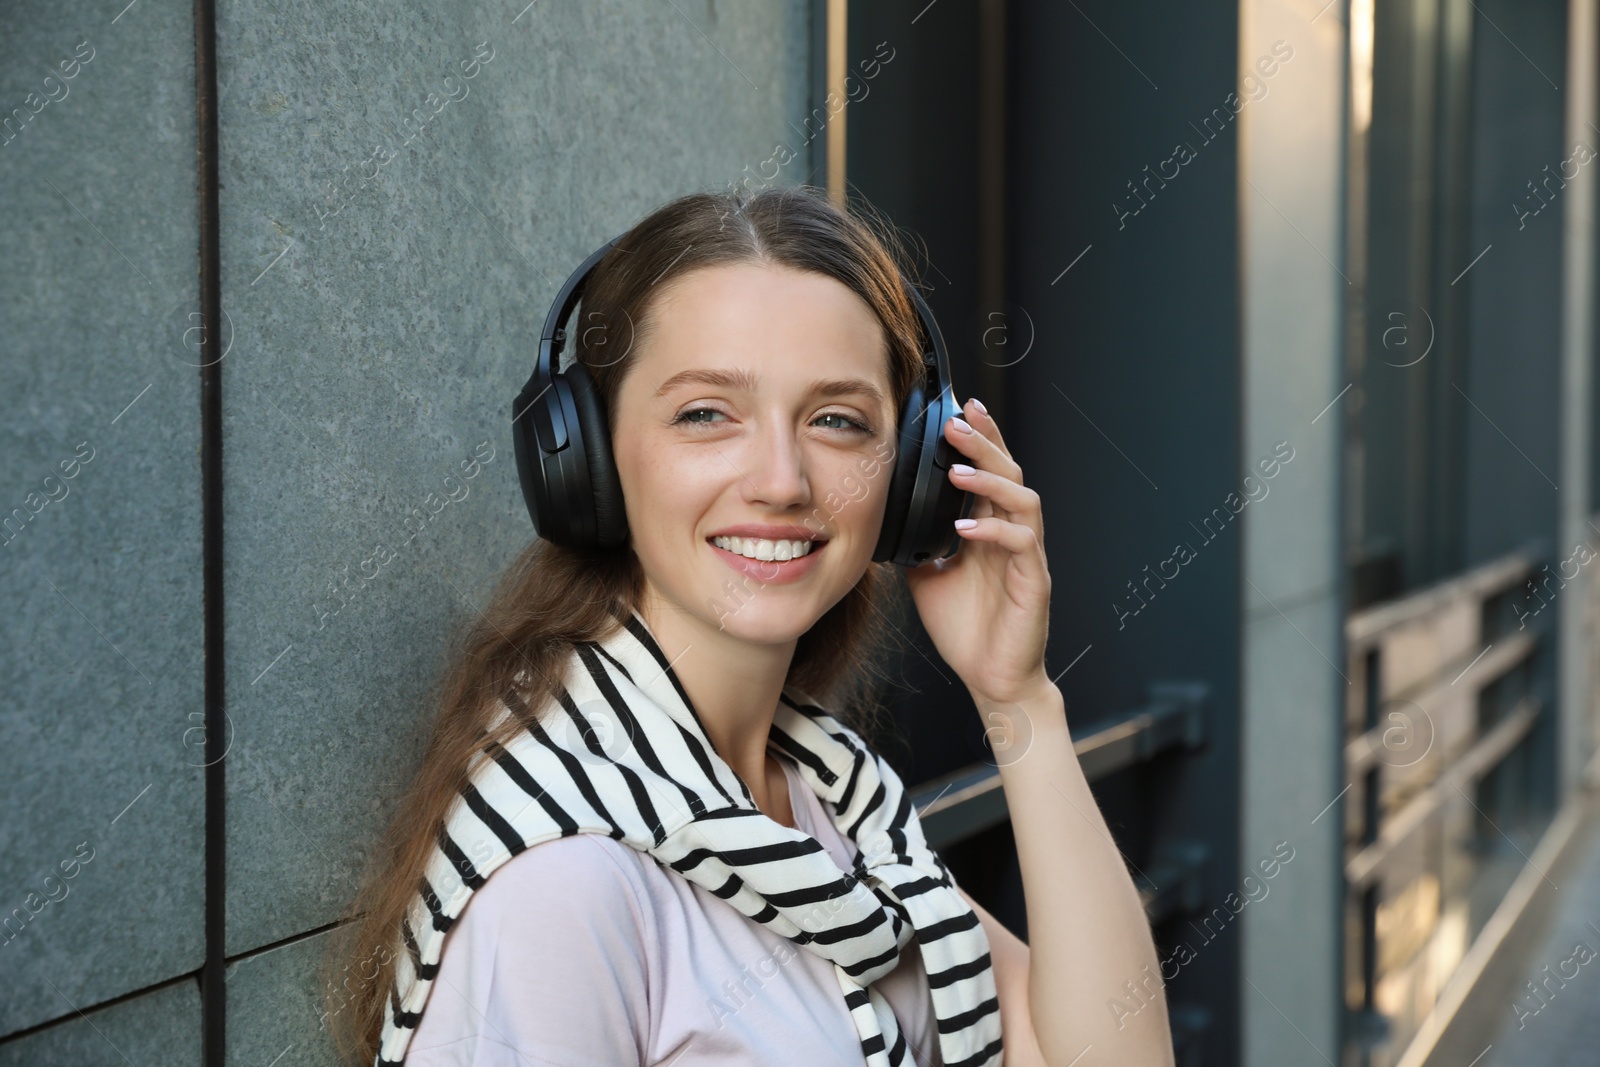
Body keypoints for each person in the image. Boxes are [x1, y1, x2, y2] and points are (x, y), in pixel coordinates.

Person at [325, 185, 1175, 1067]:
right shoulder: (562, 886)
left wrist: (1018, 698)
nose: (781, 479)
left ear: (914, 480)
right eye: (705, 414)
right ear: (587, 458)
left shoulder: (834, 799)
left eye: (838, 421)